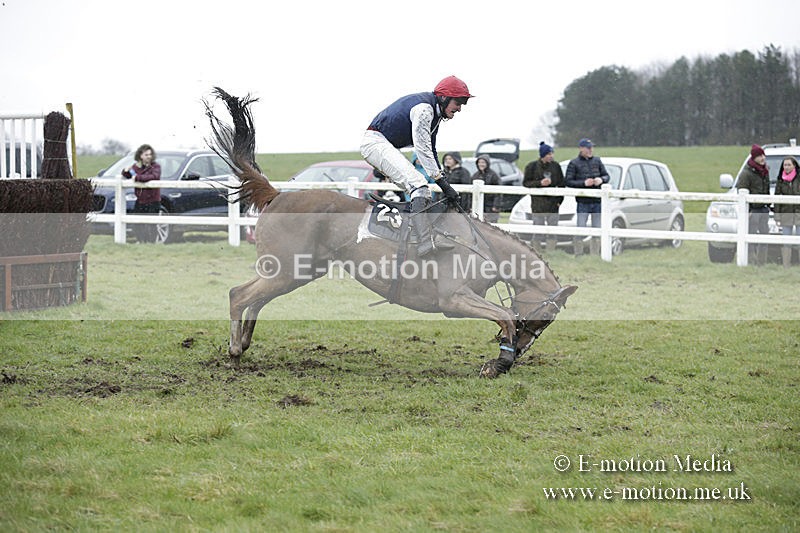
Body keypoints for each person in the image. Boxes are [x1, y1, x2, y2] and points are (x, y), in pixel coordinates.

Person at [361, 76, 473, 256]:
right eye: (458, 102)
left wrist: (443, 182)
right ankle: (423, 243)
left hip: (384, 144)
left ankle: (421, 235)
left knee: (423, 189)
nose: (460, 108)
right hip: (375, 143)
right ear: (444, 98)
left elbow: (432, 151)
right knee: (419, 186)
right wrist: (444, 186)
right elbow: (422, 150)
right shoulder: (425, 110)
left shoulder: (435, 114)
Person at [564, 138, 609, 255]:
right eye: (588, 148)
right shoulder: (574, 163)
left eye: (591, 148)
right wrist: (583, 183)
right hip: (583, 201)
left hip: (597, 201)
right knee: (581, 229)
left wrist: (601, 180)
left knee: (597, 229)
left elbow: (606, 176)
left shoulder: (597, 161)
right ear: (581, 148)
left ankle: (595, 254)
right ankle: (578, 254)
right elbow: (568, 181)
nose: (590, 150)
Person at [523, 142, 564, 251]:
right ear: (543, 155)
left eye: (552, 153)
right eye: (549, 154)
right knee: (538, 230)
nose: (551, 156)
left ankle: (551, 252)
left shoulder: (556, 166)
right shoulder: (532, 166)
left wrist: (560, 201)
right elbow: (526, 183)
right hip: (538, 204)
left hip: (553, 204)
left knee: (552, 230)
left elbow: (561, 184)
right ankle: (536, 252)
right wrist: (540, 183)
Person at [737, 144, 771, 265]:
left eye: (763, 155)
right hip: (753, 210)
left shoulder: (765, 171)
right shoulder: (746, 173)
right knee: (750, 236)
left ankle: (762, 262)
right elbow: (741, 190)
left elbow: (766, 189)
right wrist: (749, 209)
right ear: (754, 157)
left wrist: (768, 205)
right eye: (760, 156)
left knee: (764, 236)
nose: (763, 158)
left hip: (764, 209)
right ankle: (751, 261)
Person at [122, 144, 162, 243]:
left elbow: (154, 176)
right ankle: (141, 242)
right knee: (138, 223)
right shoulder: (136, 167)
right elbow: (128, 175)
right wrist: (125, 171)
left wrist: (138, 178)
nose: (149, 156)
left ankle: (151, 243)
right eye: (146, 154)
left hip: (153, 200)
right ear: (140, 156)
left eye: (150, 154)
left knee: (152, 224)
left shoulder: (156, 166)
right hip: (140, 200)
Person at [774, 156, 800, 268]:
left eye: (789, 164)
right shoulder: (780, 180)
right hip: (786, 214)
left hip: (799, 213)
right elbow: (776, 199)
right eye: (785, 165)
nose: (787, 167)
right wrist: (777, 216)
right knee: (786, 241)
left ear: (794, 165)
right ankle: (786, 266)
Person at [471, 154, 502, 223]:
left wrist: (496, 206)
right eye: (479, 162)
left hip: (490, 206)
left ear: (487, 163)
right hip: (478, 204)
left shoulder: (494, 175)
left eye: (483, 162)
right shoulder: (475, 175)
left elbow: (498, 192)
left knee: (491, 226)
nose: (481, 164)